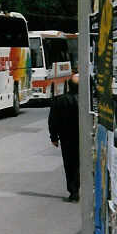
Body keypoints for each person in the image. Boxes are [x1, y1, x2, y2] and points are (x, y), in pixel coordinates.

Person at [49, 73, 80, 201]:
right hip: (83, 137)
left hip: (66, 138)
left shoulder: (59, 100)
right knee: (80, 163)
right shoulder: (86, 100)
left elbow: (52, 120)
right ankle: (80, 187)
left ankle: (73, 191)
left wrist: (54, 137)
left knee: (69, 164)